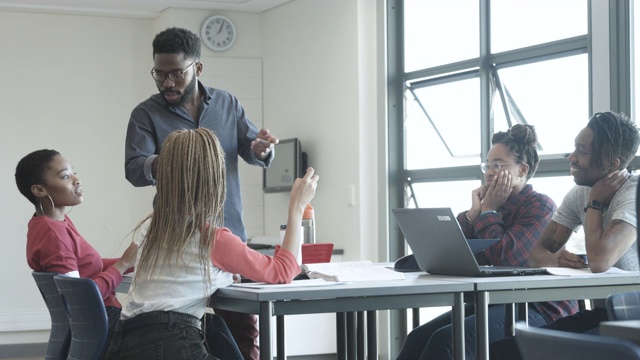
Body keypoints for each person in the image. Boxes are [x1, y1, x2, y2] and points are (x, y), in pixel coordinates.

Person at [124, 27, 279, 359]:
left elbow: (252, 150)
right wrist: (176, 161)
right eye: (160, 74)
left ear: (198, 68)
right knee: (175, 327)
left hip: (227, 238)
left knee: (241, 336)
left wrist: (261, 150)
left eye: (176, 74)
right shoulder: (145, 114)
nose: (167, 83)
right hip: (179, 239)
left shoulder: (227, 104)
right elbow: (134, 169)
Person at [105, 128, 319, 360]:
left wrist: (223, 273)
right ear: (214, 179)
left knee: (215, 328)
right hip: (173, 344)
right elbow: (282, 271)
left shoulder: (153, 228)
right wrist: (297, 207)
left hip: (124, 342)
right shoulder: (212, 238)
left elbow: (180, 277)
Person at [397, 124, 579, 360]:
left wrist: (489, 212)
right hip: (498, 300)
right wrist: (473, 214)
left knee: (446, 342)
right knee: (418, 337)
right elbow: (452, 253)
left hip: (541, 307)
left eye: (498, 165)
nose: (490, 172)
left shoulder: (539, 206)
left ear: (522, 170)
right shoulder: (489, 206)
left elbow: (507, 259)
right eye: (487, 165)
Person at [489, 111, 640, 360]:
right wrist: (558, 259)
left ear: (612, 164)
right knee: (503, 352)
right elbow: (536, 256)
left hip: (634, 317)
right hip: (606, 314)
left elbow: (601, 261)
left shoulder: (632, 193)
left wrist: (595, 204)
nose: (572, 158)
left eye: (582, 151)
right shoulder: (579, 192)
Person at [15, 149, 138, 354]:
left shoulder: (52, 224)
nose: (77, 180)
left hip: (99, 320)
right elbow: (80, 299)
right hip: (102, 323)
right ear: (39, 190)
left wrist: (137, 260)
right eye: (65, 176)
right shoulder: (52, 233)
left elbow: (89, 265)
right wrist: (122, 265)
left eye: (74, 173)